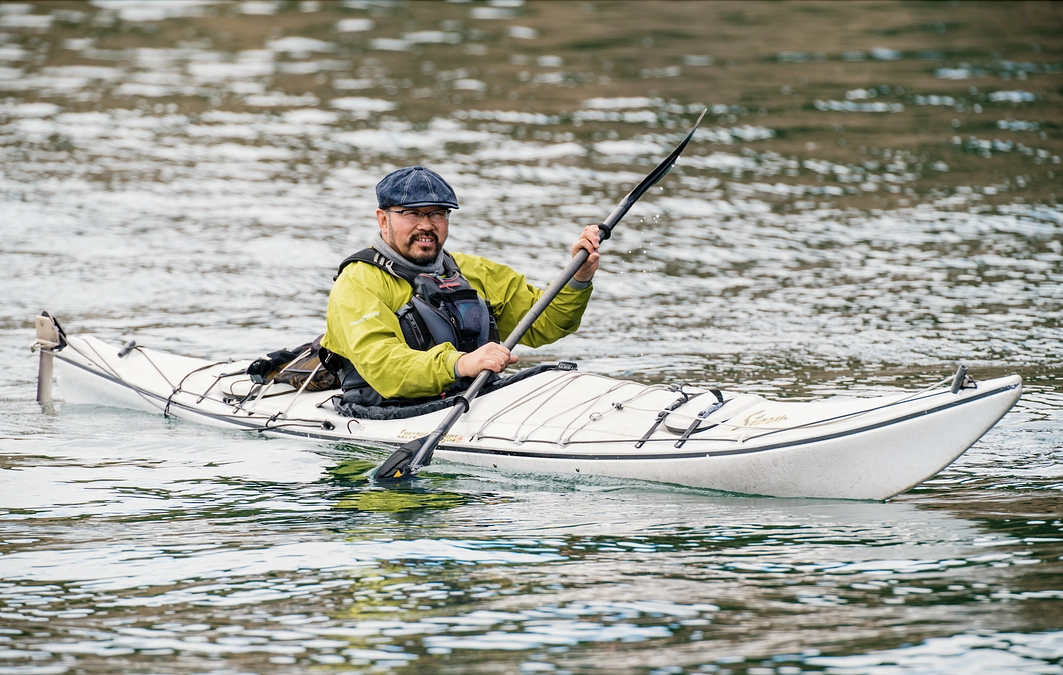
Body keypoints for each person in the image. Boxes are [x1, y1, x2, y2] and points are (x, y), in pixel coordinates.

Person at [320, 165, 599, 407]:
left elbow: (546, 322)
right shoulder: (358, 283)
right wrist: (461, 364)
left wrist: (578, 275)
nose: (426, 225)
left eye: (437, 214)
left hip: (470, 400)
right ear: (383, 219)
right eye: (412, 214)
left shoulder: (474, 271)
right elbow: (384, 366)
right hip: (382, 411)